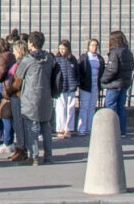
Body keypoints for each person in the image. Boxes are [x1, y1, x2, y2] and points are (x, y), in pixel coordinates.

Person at [9, 32, 57, 166]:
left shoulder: (28, 59)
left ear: (31, 43)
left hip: (30, 96)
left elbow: (18, 75)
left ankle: (34, 156)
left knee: (32, 125)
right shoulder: (49, 58)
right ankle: (48, 156)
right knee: (46, 125)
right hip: (46, 95)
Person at [52, 38, 85, 141]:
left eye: (64, 48)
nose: (62, 50)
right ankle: (60, 128)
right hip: (61, 87)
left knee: (70, 108)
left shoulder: (72, 59)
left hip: (71, 86)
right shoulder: (56, 59)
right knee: (60, 108)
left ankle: (69, 128)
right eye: (60, 48)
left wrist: (76, 82)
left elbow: (76, 72)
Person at [100, 29, 134, 128]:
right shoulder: (128, 52)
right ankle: (122, 130)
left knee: (110, 107)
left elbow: (112, 69)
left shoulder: (115, 52)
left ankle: (111, 129)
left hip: (115, 84)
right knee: (121, 107)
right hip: (124, 83)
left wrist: (103, 80)